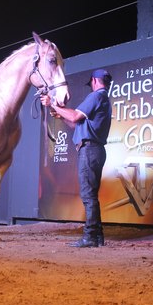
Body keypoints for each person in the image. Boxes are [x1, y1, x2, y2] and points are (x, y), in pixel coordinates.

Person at [41, 68, 113, 248]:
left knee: (88, 195)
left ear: (95, 81)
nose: (91, 86)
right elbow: (74, 123)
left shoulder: (96, 96)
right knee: (91, 195)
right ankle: (97, 237)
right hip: (94, 150)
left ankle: (90, 237)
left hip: (89, 150)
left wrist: (52, 104)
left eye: (91, 84)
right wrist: (59, 113)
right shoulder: (103, 98)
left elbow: (74, 115)